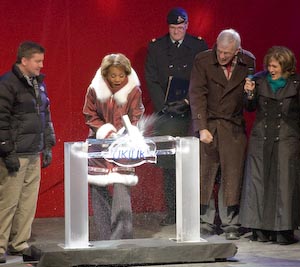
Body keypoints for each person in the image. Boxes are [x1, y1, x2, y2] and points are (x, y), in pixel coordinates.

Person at [188, 29, 255, 240]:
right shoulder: (203, 60)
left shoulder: (248, 61)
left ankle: (230, 222)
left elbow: (249, 105)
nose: (222, 55)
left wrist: (250, 93)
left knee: (232, 176)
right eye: (220, 50)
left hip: (233, 126)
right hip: (210, 123)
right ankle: (205, 220)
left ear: (237, 51)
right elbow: (197, 93)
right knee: (205, 174)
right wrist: (201, 127)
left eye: (227, 52)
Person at [145, 7, 208, 225]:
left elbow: (203, 78)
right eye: (173, 28)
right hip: (166, 114)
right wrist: (164, 105)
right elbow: (151, 78)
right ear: (168, 27)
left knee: (191, 164)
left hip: (190, 113)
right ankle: (172, 212)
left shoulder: (198, 46)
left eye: (180, 27)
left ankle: (192, 211)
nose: (176, 32)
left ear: (187, 26)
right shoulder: (156, 47)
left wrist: (188, 102)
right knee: (169, 166)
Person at [0, 41, 56, 263]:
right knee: (8, 201)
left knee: (27, 202)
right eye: (37, 61)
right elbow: (1, 120)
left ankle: (19, 243)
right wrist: (7, 151)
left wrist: (48, 145)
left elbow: (46, 115)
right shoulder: (7, 84)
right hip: (15, 154)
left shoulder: (38, 84)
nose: (41, 65)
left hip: (33, 152)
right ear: (24, 60)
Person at [240, 46, 300, 245]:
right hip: (261, 138)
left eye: (275, 66)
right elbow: (249, 108)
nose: (271, 69)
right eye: (269, 66)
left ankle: (283, 230)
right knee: (259, 182)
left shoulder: (296, 84)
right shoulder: (258, 80)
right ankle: (260, 229)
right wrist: (249, 94)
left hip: (286, 139)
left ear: (286, 66)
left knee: (284, 184)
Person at [83, 53, 145, 240]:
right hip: (99, 143)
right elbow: (89, 114)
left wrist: (129, 132)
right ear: (105, 75)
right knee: (97, 188)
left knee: (121, 187)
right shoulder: (94, 89)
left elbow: (137, 115)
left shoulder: (134, 90)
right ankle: (105, 235)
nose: (117, 79)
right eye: (113, 75)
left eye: (121, 75)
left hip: (124, 146)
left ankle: (122, 236)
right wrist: (106, 132)